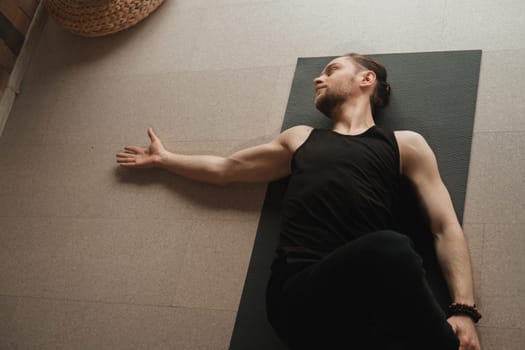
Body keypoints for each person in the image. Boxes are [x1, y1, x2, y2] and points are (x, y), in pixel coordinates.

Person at [116, 53, 481, 350]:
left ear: (366, 79)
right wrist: (165, 160)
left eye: (331, 70)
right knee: (393, 248)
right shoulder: (301, 138)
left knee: (391, 255)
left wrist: (463, 309)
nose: (317, 79)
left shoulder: (406, 144)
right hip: (299, 298)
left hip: (368, 306)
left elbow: (444, 226)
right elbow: (227, 168)